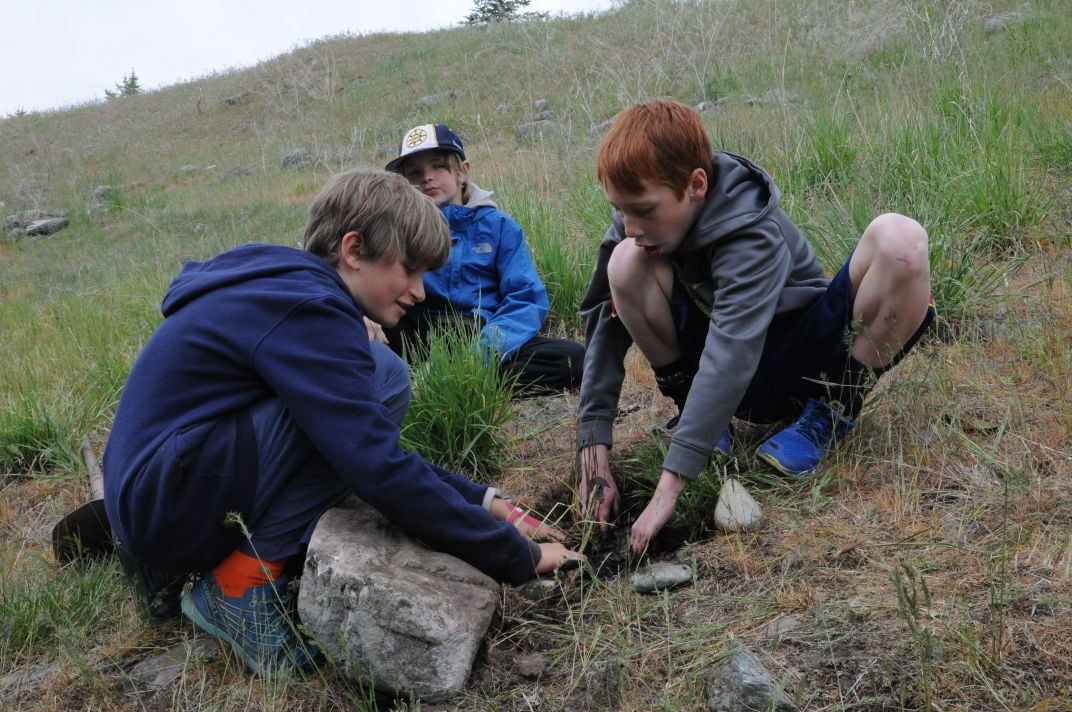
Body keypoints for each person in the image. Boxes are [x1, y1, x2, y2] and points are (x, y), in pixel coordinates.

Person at [103, 170, 582, 677]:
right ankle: (240, 583)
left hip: (152, 501)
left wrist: (488, 503)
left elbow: (361, 446)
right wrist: (516, 555)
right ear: (353, 250)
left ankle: (166, 568)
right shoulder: (309, 309)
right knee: (386, 377)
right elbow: (373, 465)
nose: (420, 291)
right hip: (165, 503)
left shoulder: (281, 288)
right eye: (411, 269)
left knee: (366, 388)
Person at [576, 100, 935, 554]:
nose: (630, 225)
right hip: (724, 370)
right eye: (620, 210)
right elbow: (603, 324)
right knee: (624, 262)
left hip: (802, 359)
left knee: (899, 238)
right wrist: (593, 450)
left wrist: (669, 489)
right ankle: (697, 413)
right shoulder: (637, 222)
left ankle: (830, 412)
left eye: (644, 211)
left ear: (695, 185)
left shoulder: (750, 229)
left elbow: (732, 351)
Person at [383, 123, 585, 393]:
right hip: (419, 331)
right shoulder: (395, 229)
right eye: (415, 172)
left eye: (438, 166)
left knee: (574, 359)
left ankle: (461, 379)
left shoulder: (500, 227)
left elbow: (525, 298)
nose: (427, 178)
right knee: (371, 330)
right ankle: (427, 379)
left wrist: (486, 349)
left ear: (463, 171)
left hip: (482, 331)